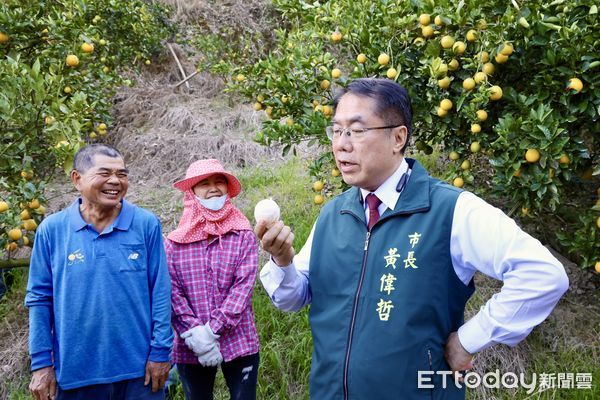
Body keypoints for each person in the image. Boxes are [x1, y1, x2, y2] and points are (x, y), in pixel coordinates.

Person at [256, 78, 569, 399]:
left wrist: (469, 338)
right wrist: (282, 262)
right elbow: (293, 298)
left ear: (398, 137)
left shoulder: (451, 211)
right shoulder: (333, 214)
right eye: (336, 130)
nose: (341, 144)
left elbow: (543, 275)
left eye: (356, 131)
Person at [25, 144, 173, 400]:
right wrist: (41, 364)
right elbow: (39, 299)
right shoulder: (52, 230)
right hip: (75, 373)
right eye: (104, 173)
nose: (115, 181)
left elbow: (160, 291)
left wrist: (161, 352)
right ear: (77, 179)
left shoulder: (145, 224)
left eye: (122, 174)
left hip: (140, 373)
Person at [165, 159, 260, 400]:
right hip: (191, 344)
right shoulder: (175, 243)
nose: (213, 188)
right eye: (204, 183)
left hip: (238, 340)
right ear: (192, 192)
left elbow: (243, 288)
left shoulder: (242, 234)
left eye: (219, 181)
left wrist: (212, 331)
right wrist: (196, 335)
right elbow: (172, 292)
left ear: (228, 188)